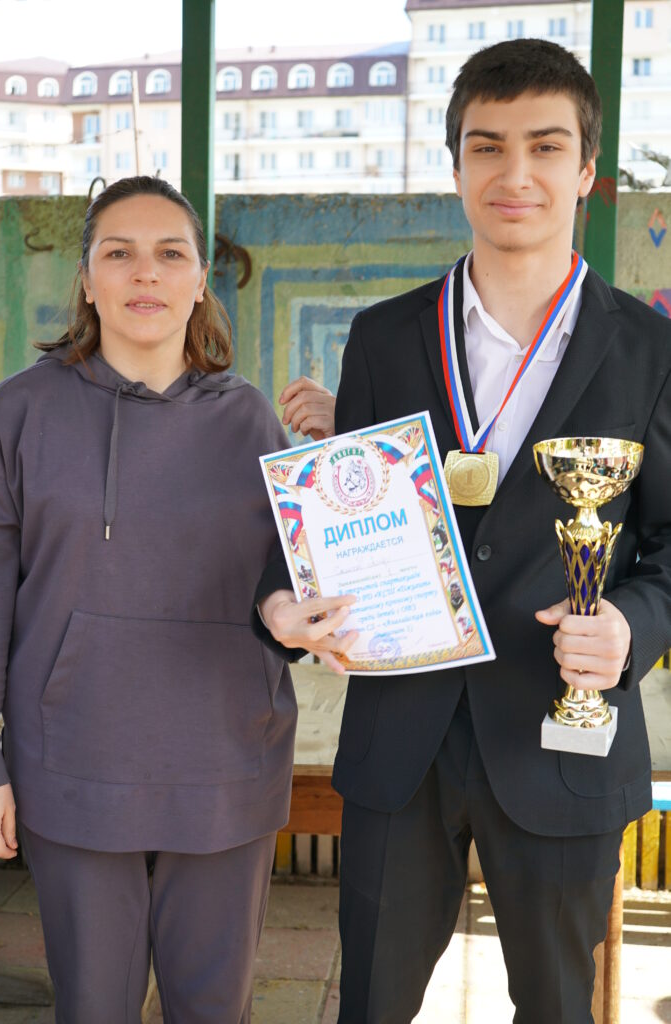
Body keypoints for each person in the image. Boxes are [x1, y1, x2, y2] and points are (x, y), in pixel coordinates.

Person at [256, 39, 671, 1023]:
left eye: (545, 146)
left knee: (559, 1009)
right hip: (402, 741)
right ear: (455, 169)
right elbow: (342, 505)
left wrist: (631, 626)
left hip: (564, 733)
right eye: (487, 147)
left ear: (587, 170)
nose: (514, 173)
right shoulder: (385, 336)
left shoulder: (651, 349)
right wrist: (281, 599)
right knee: (370, 1005)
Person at [0, 175, 347, 1024]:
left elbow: (285, 589)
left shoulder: (250, 420)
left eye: (170, 254)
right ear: (87, 280)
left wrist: (296, 615)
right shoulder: (18, 413)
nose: (145, 273)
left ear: (198, 281)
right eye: (119, 253)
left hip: (227, 762)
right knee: (93, 1008)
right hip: (71, 765)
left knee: (213, 1009)